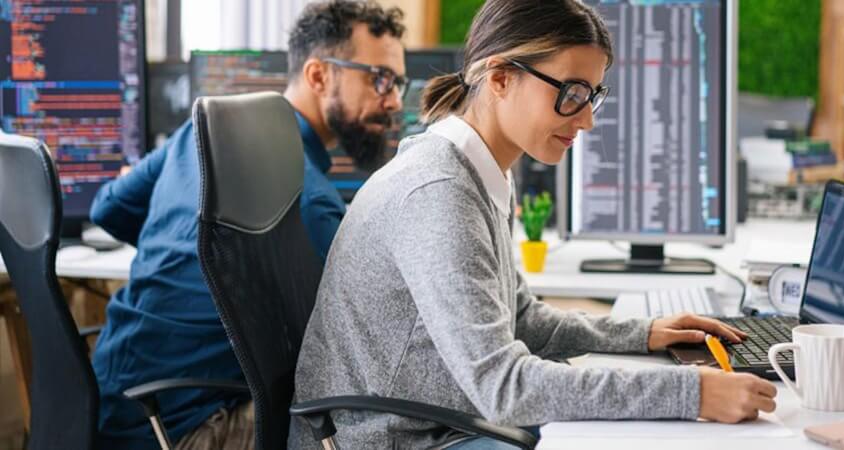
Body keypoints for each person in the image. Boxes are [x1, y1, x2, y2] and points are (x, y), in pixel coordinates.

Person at [288, 0, 778, 448]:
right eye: (571, 93)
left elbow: (520, 317)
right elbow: (504, 388)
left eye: (592, 95)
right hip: (389, 439)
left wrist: (644, 333)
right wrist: (692, 393)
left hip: (434, 421)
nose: (585, 120)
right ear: (499, 77)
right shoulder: (438, 193)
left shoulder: (481, 169)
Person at [89, 1, 406, 448]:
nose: (394, 99)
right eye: (381, 79)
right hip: (182, 431)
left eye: (398, 82)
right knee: (381, 414)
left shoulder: (201, 131)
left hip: (110, 406)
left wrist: (181, 245)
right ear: (318, 76)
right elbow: (373, 345)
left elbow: (108, 209)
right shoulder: (308, 202)